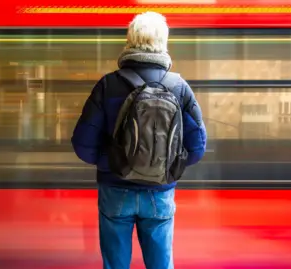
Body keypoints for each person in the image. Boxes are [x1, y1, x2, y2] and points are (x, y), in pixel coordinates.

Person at [71, 12, 207, 269]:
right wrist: (167, 167)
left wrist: (113, 162)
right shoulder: (178, 87)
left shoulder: (108, 85)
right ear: (163, 43)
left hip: (115, 189)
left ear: (129, 42)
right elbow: (197, 147)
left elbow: (83, 144)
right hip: (160, 193)